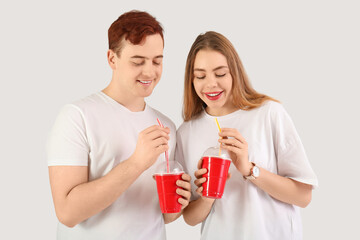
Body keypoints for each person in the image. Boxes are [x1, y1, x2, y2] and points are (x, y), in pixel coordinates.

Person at [47, 10, 191, 240]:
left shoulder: (166, 125)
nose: (149, 71)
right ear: (112, 59)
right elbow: (67, 212)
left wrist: (178, 203)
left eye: (157, 61)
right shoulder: (76, 116)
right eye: (138, 61)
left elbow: (164, 216)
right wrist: (135, 164)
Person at [176, 31, 318, 240]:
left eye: (220, 73)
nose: (211, 84)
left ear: (235, 72)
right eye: (200, 76)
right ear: (191, 79)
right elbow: (189, 217)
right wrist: (206, 198)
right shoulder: (186, 132)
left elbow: (303, 196)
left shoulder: (269, 113)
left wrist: (249, 169)